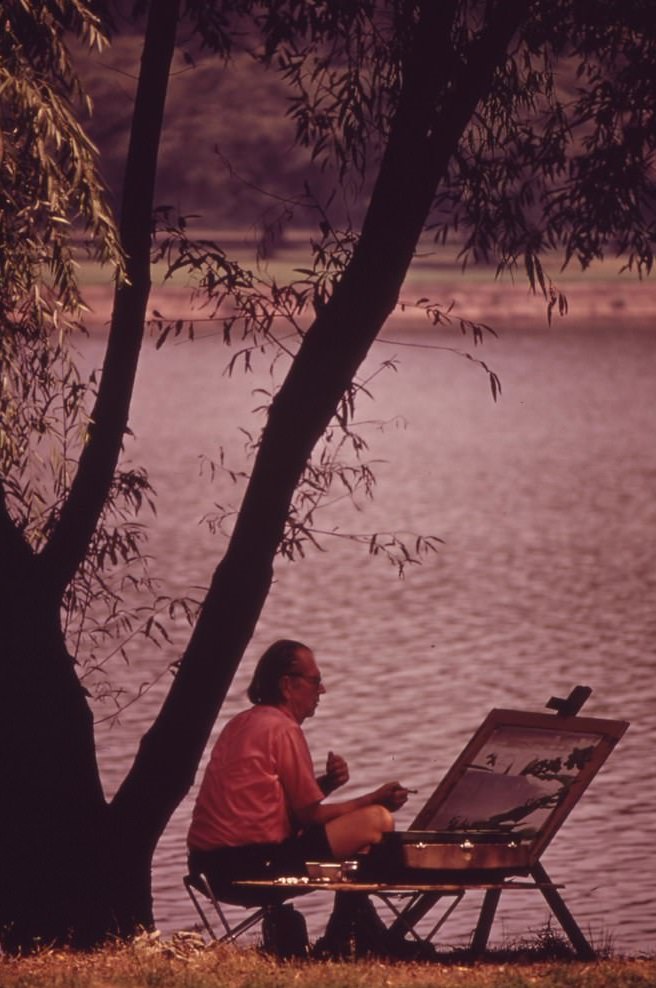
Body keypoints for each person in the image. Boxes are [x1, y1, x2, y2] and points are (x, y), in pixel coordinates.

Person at [187, 638, 410, 955]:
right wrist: (375, 799)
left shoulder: (241, 723)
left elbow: (268, 808)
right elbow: (310, 817)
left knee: (361, 836)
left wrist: (326, 784)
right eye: (315, 681)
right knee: (377, 821)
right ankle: (344, 936)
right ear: (287, 685)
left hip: (207, 868)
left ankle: (349, 934)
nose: (322, 691)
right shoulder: (283, 729)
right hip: (251, 866)